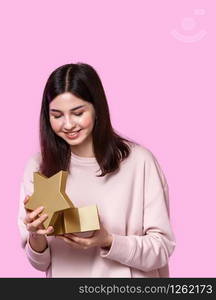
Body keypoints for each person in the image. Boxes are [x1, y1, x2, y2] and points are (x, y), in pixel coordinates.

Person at [17, 63, 176, 277]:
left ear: (97, 108)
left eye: (78, 112)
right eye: (57, 115)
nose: (68, 124)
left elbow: (161, 250)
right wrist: (35, 236)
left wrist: (109, 241)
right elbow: (41, 263)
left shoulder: (139, 162)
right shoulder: (38, 168)